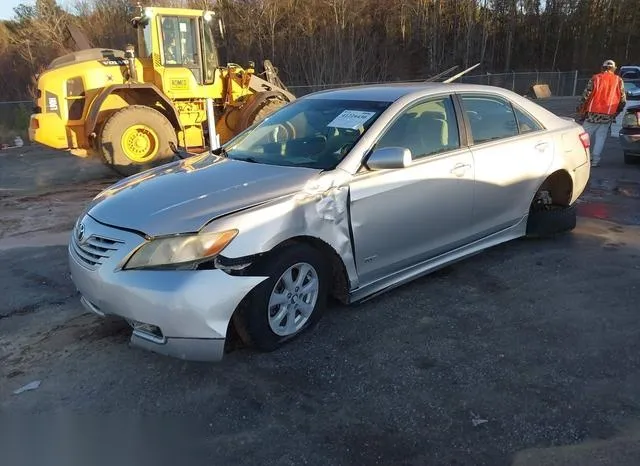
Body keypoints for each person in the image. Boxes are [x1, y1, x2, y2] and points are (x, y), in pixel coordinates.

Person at [576, 59, 626, 167]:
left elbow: (586, 95)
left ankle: (584, 159)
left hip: (593, 113)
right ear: (614, 69)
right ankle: (595, 160)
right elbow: (622, 99)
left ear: (602, 67)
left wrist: (580, 109)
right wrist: (617, 111)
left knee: (585, 136)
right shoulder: (619, 80)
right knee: (601, 137)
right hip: (608, 114)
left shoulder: (596, 78)